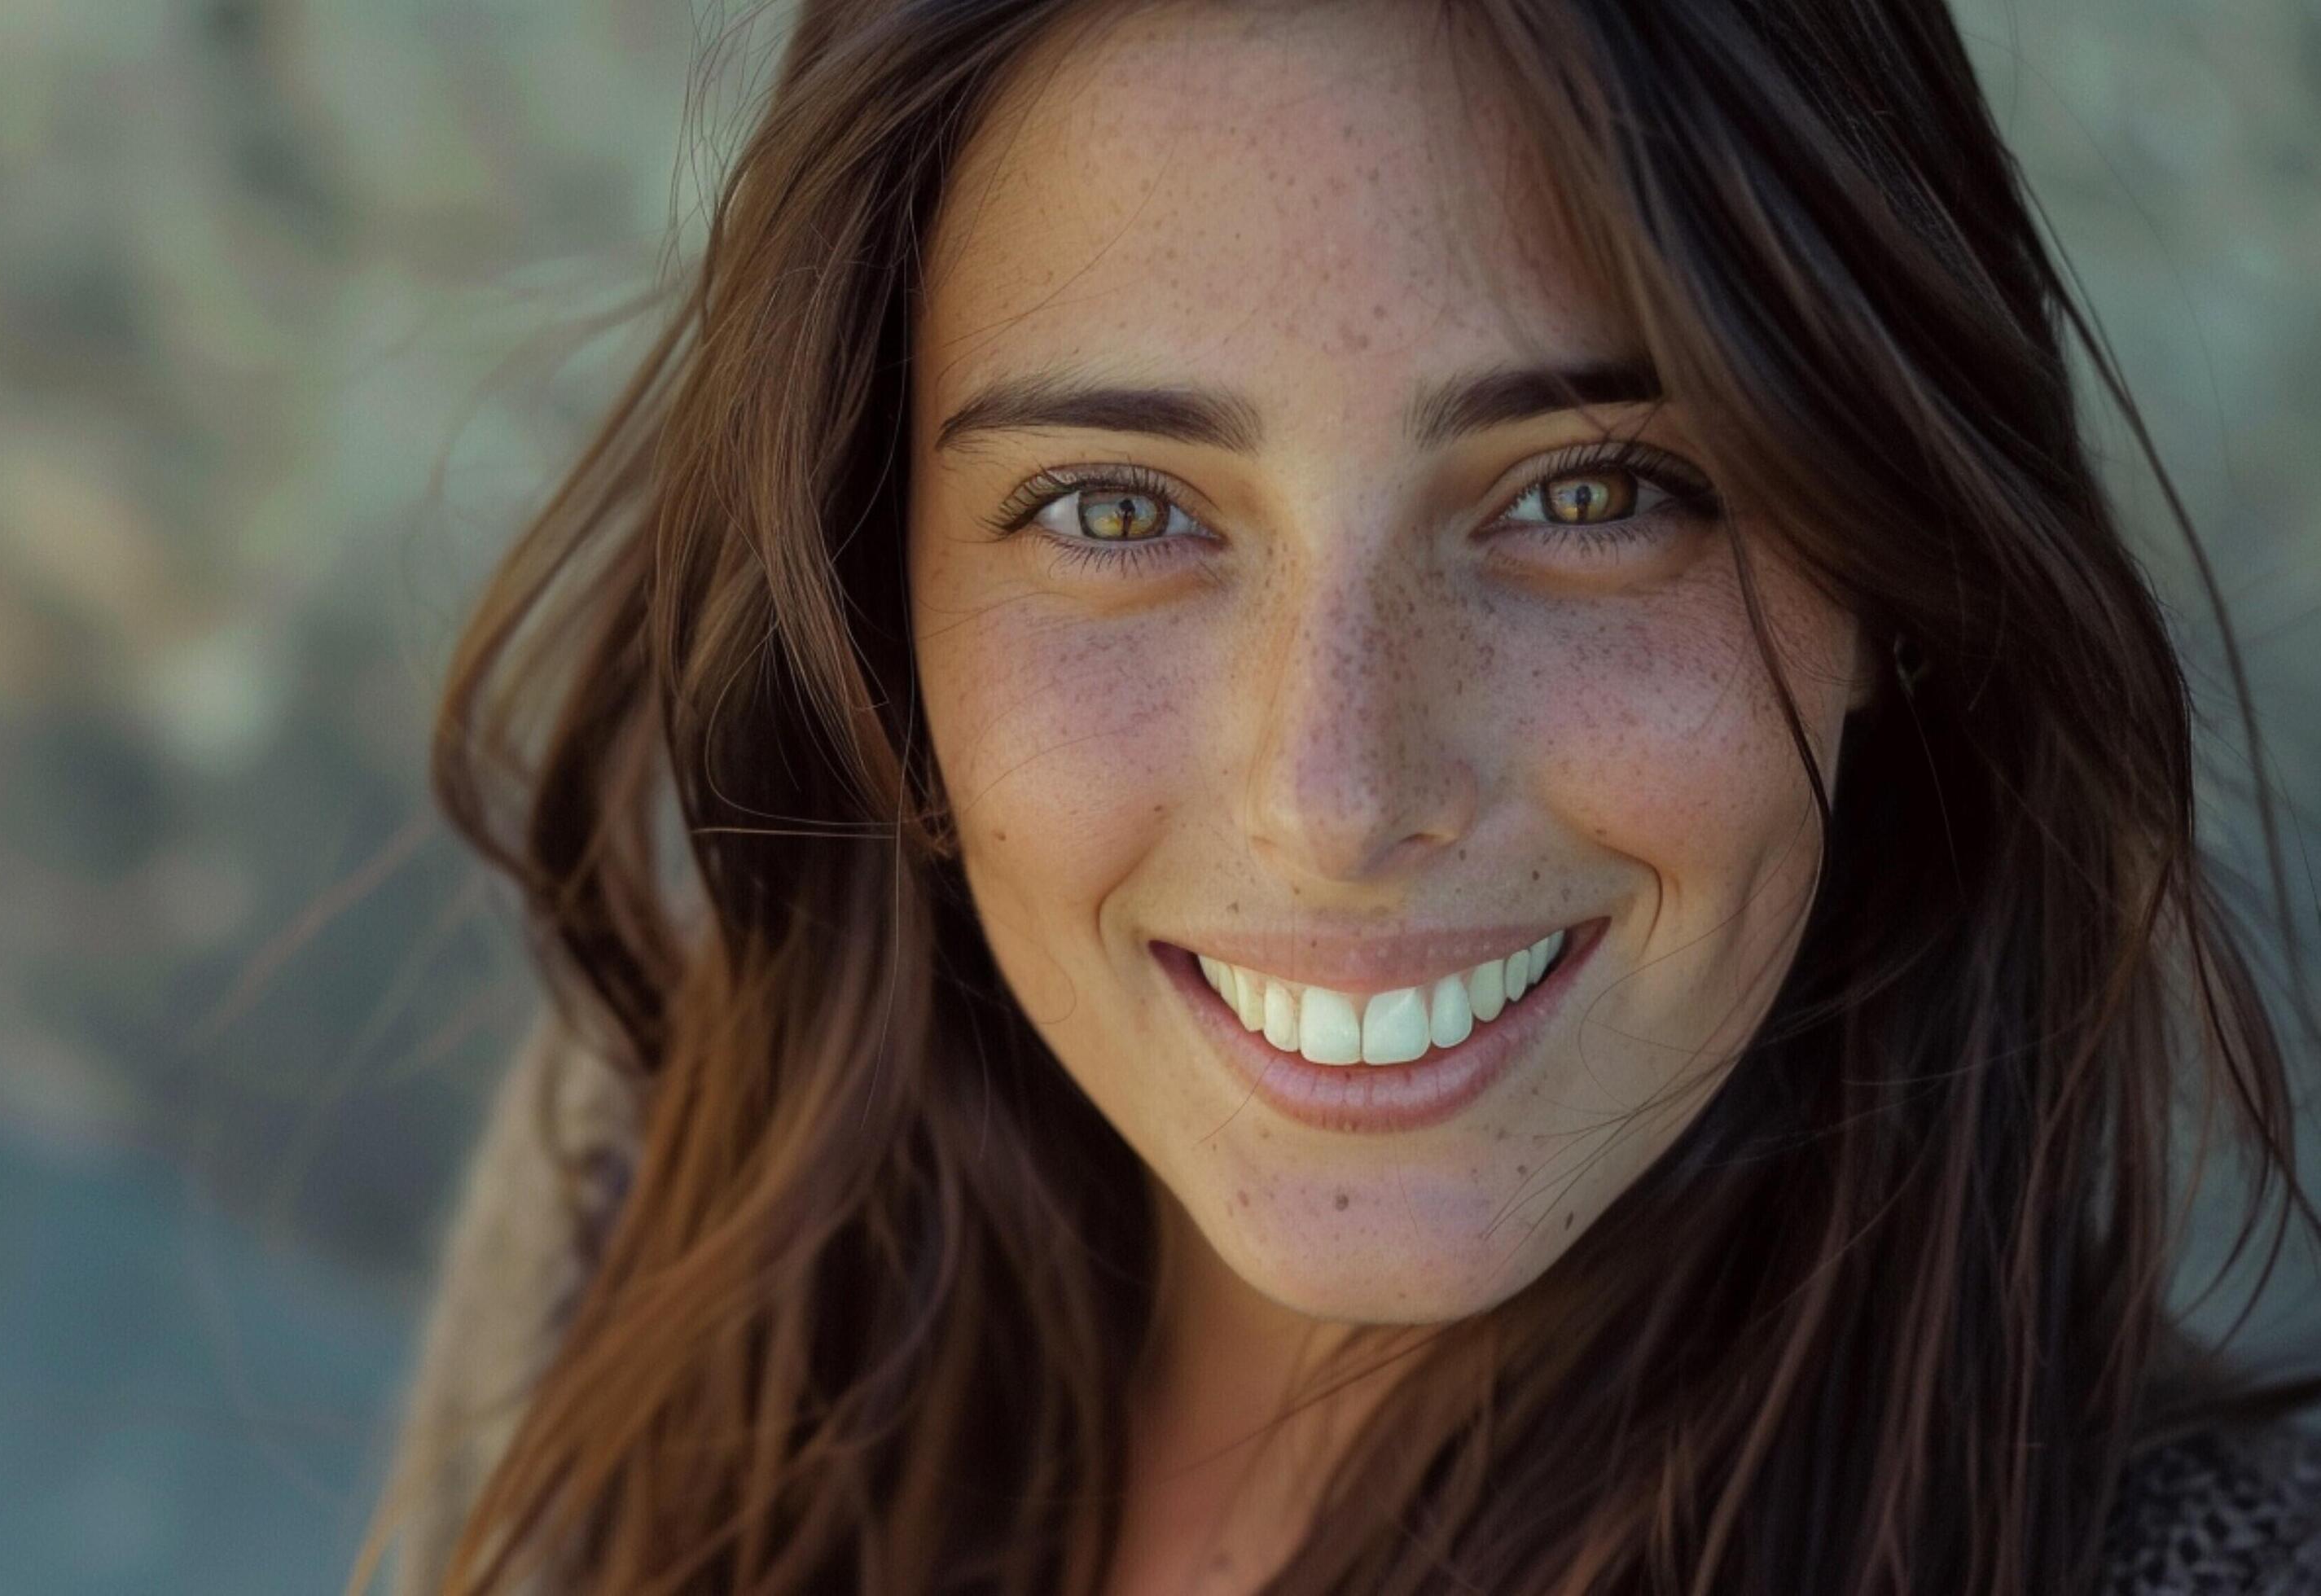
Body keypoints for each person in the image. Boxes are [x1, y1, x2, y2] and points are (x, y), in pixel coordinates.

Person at [357, 0, 2321, 1590]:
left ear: (1899, 568)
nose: (1337, 795)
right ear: (880, 603)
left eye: (1591, 490)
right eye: (1117, 509)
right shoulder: (662, 1190)